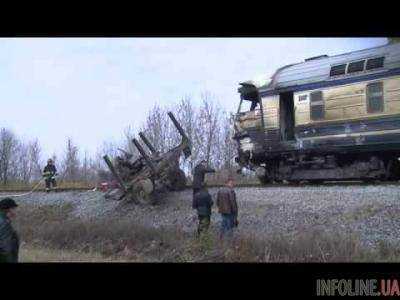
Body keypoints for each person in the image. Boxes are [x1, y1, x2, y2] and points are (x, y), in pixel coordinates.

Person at [0, 198, 19, 263]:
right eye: (14, 208)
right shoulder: (4, 224)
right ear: (8, 210)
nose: (16, 211)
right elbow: (5, 248)